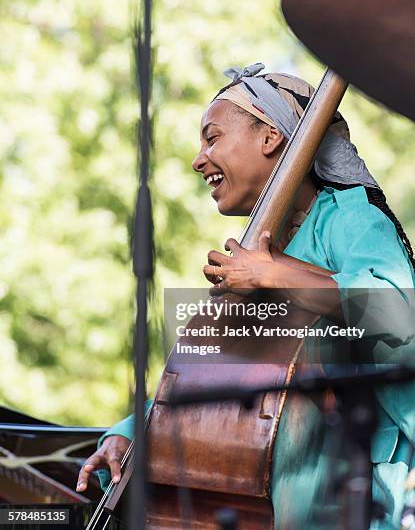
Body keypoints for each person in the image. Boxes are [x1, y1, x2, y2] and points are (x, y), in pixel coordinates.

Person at [77, 64, 415, 529]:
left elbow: (400, 314)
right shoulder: (257, 257)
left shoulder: (348, 218)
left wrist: (275, 273)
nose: (198, 160)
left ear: (270, 136)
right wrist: (126, 436)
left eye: (211, 138)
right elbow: (209, 388)